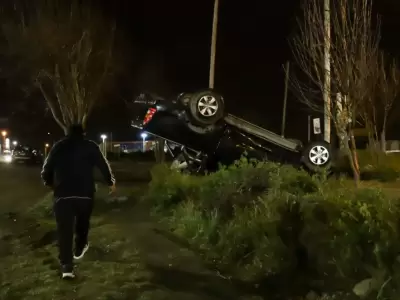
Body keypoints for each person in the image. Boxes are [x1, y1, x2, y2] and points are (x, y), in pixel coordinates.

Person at [41, 124, 116, 279]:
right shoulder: (90, 146)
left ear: (67, 133)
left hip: (63, 195)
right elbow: (103, 164)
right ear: (84, 133)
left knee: (64, 231)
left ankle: (67, 268)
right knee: (83, 223)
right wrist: (110, 182)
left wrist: (49, 183)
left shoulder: (59, 147)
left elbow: (47, 169)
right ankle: (80, 247)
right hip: (85, 194)